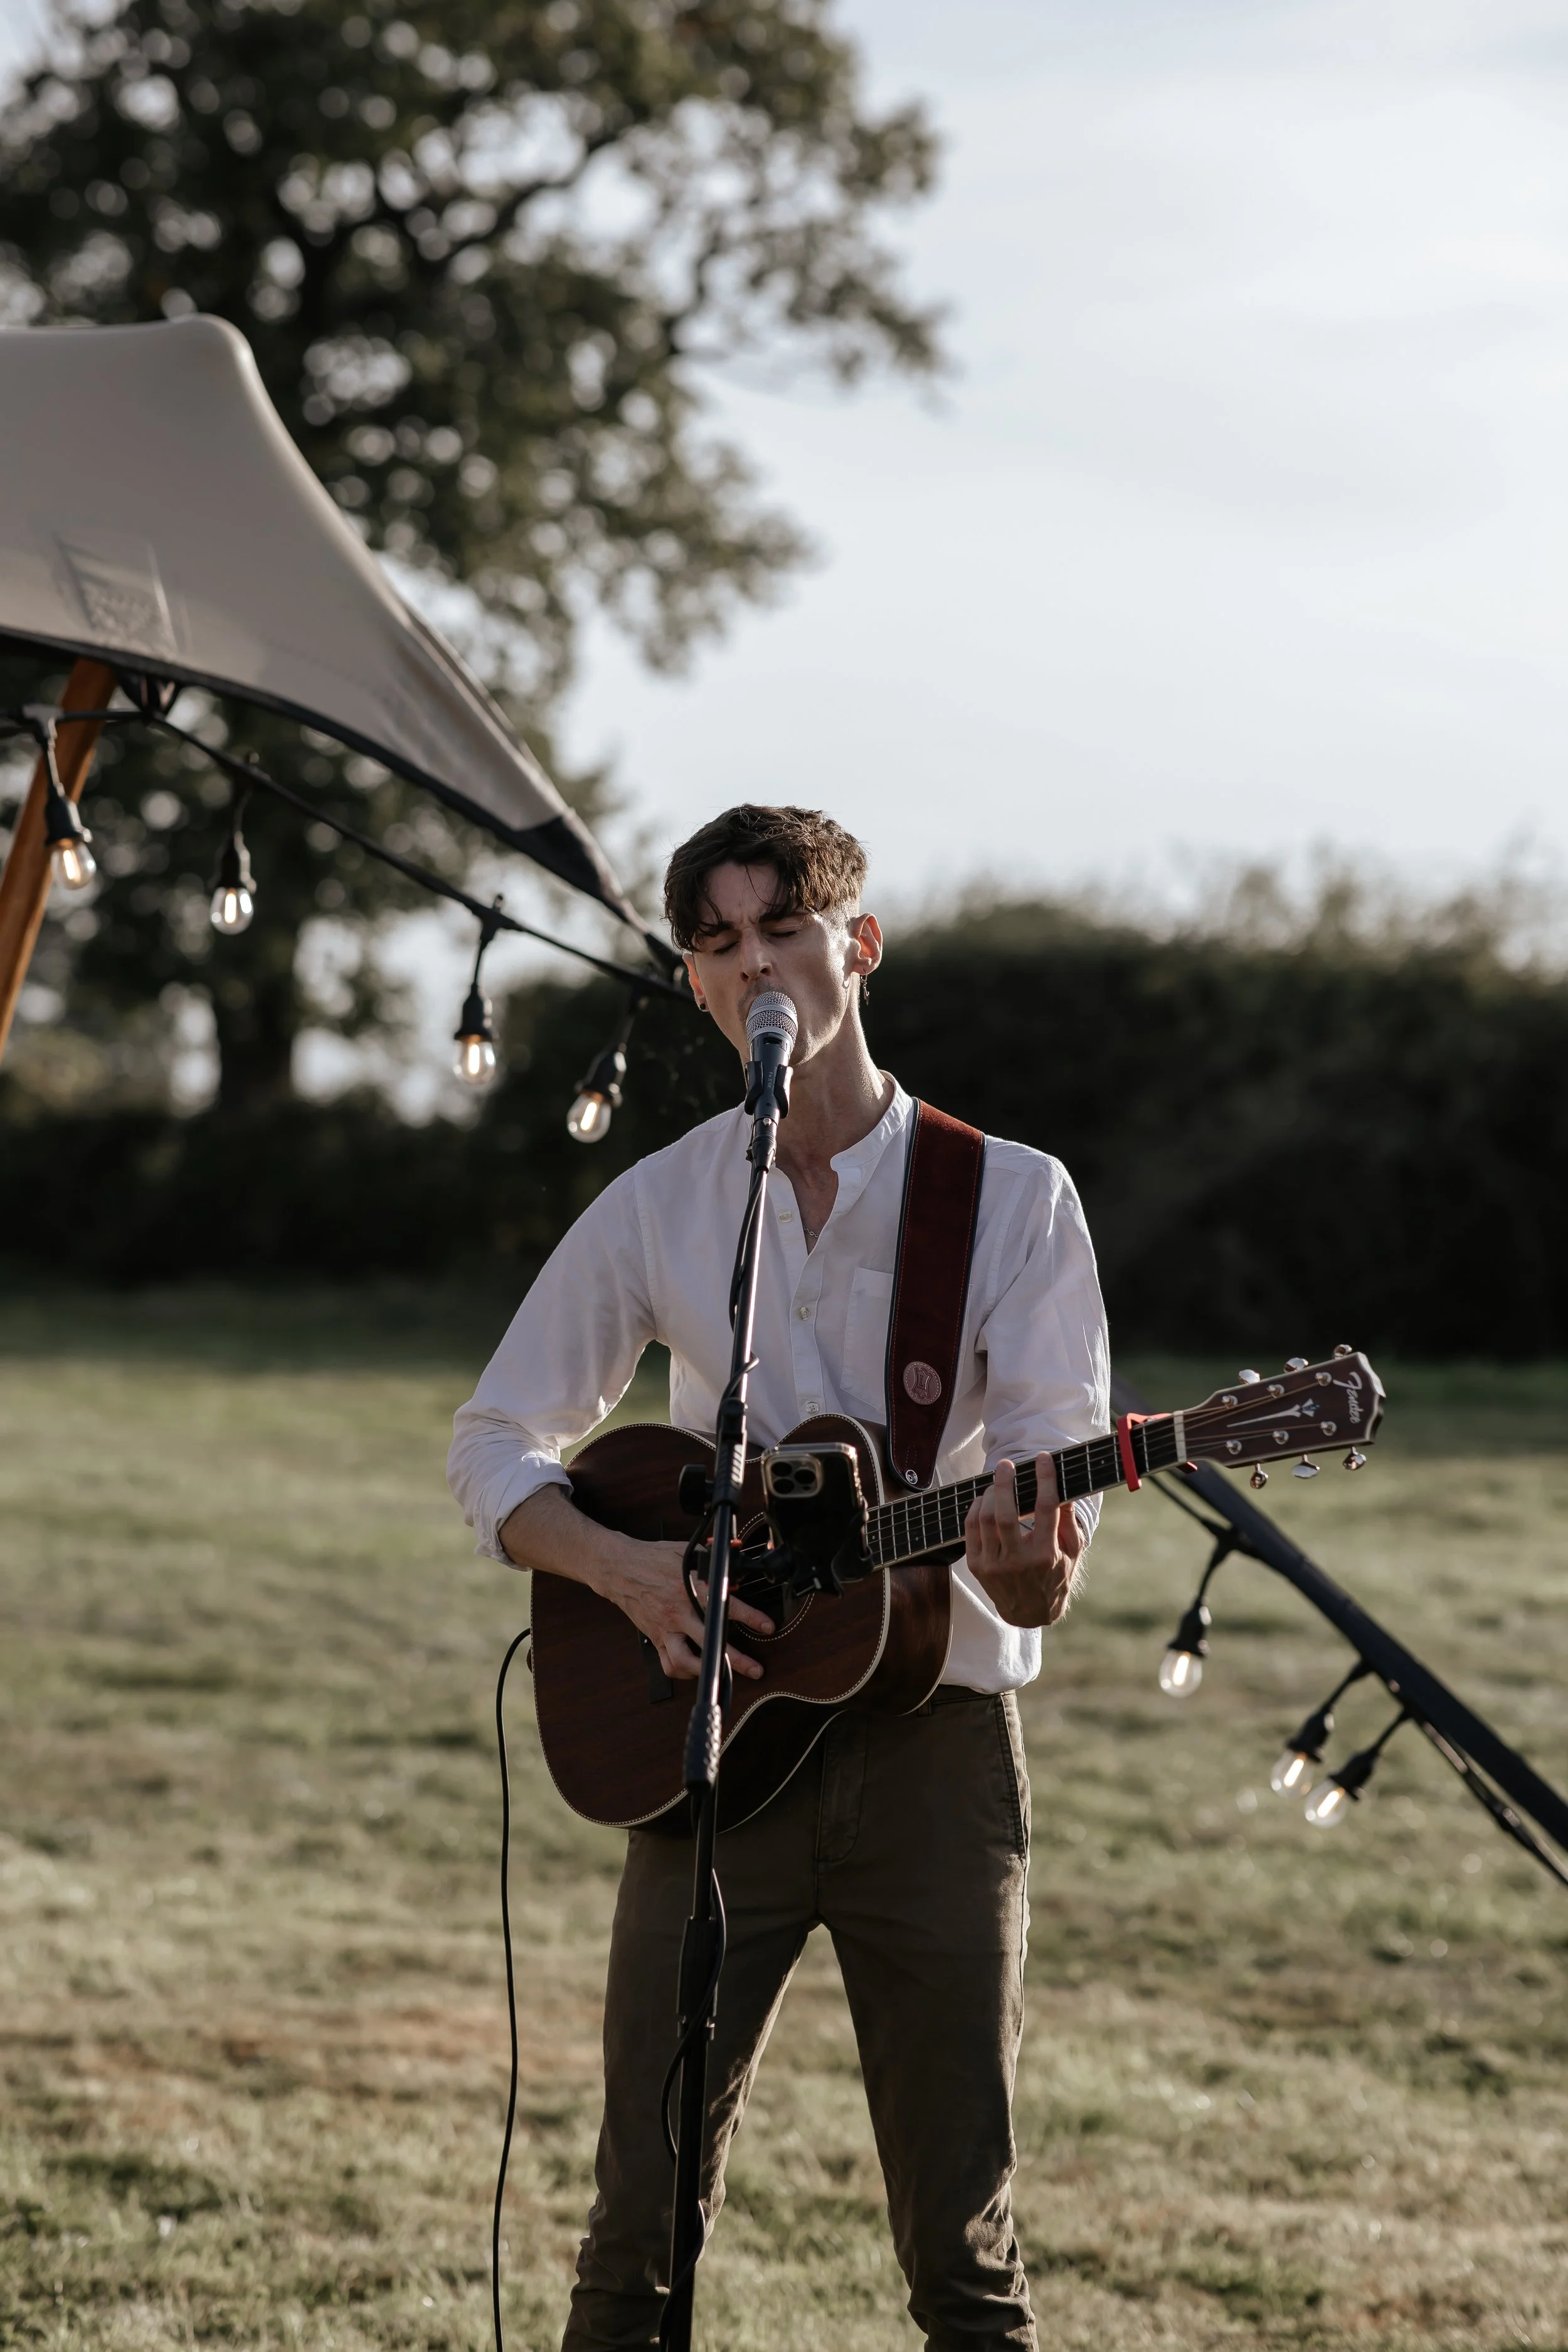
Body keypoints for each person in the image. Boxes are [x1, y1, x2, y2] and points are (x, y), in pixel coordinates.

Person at [448, 804, 1110, 2352]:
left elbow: (1037, 1567)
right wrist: (621, 1572)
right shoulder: (666, 1201)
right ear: (690, 981)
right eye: (719, 941)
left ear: (854, 948)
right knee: (634, 2237)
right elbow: (494, 1442)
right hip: (714, 1744)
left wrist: (1029, 1568)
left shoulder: (1009, 1199)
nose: (757, 966)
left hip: (937, 1755)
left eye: (785, 930)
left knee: (962, 2258)